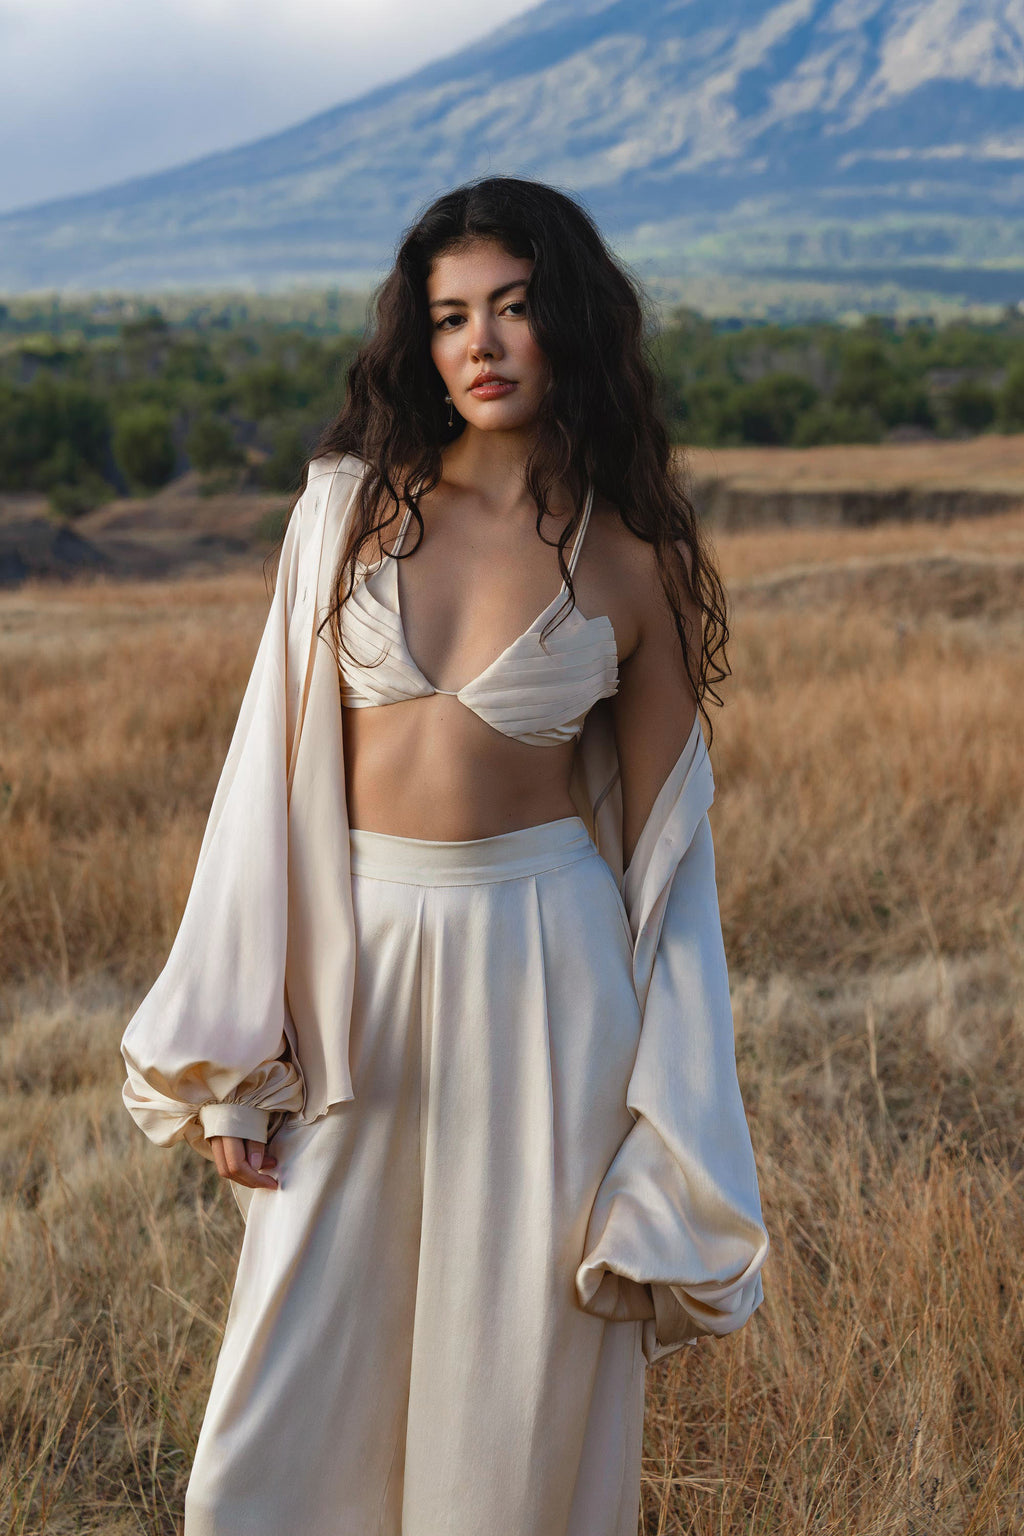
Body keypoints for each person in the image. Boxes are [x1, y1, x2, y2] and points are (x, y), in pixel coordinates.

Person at [120, 176, 769, 1536]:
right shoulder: (348, 513)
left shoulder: (631, 559)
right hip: (356, 981)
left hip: (548, 983)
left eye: (515, 309)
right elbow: (262, 784)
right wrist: (239, 1062)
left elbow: (666, 878)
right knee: (275, 1413)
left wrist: (666, 1142)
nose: (480, 344)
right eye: (451, 316)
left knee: (512, 1391)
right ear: (420, 340)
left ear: (570, 324)